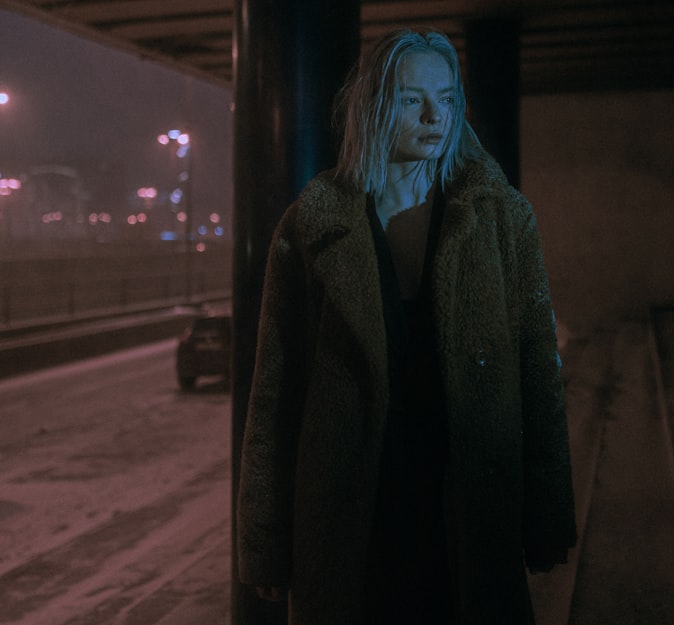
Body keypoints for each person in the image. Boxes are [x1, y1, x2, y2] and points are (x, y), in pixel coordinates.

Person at [236, 28, 576, 625]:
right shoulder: (311, 228)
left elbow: (537, 372)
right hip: (354, 514)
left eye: (446, 99)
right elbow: (275, 394)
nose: (433, 115)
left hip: (467, 506)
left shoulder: (500, 218)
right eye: (411, 98)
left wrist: (547, 517)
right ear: (373, 105)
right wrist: (267, 544)